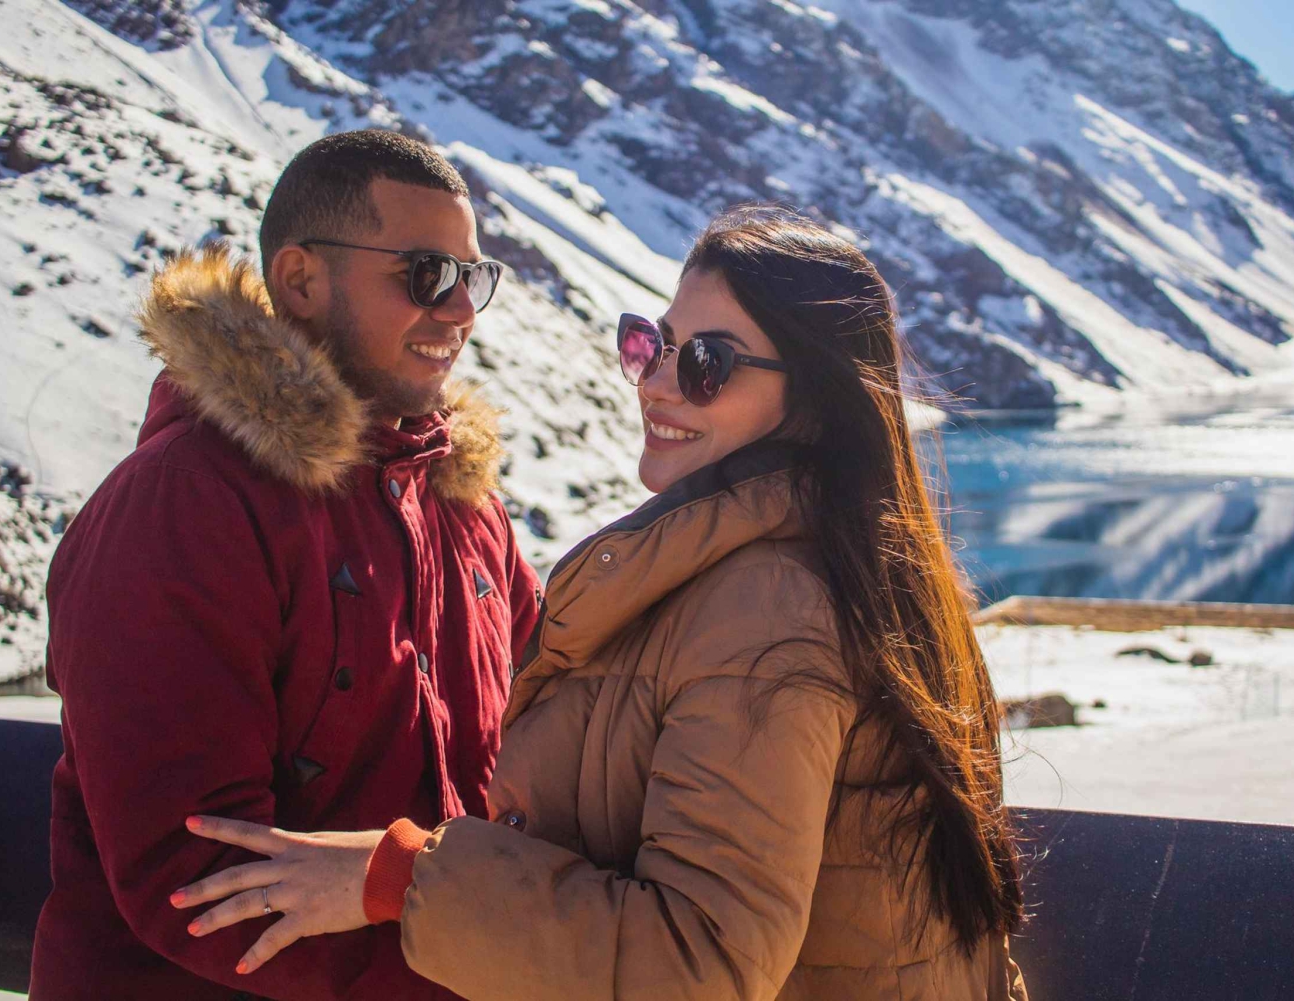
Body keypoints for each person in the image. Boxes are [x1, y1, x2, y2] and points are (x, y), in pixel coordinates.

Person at [174, 206, 1029, 1000]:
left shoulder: (769, 608)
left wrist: (400, 877)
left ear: (812, 399)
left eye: (706, 364)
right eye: (653, 344)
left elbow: (700, 959)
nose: (655, 383)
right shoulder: (848, 567)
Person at [29, 130, 543, 1000]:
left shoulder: (465, 507)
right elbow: (196, 882)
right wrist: (495, 963)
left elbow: (558, 740)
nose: (459, 311)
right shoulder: (186, 504)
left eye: (474, 279)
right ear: (302, 280)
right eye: (427, 274)